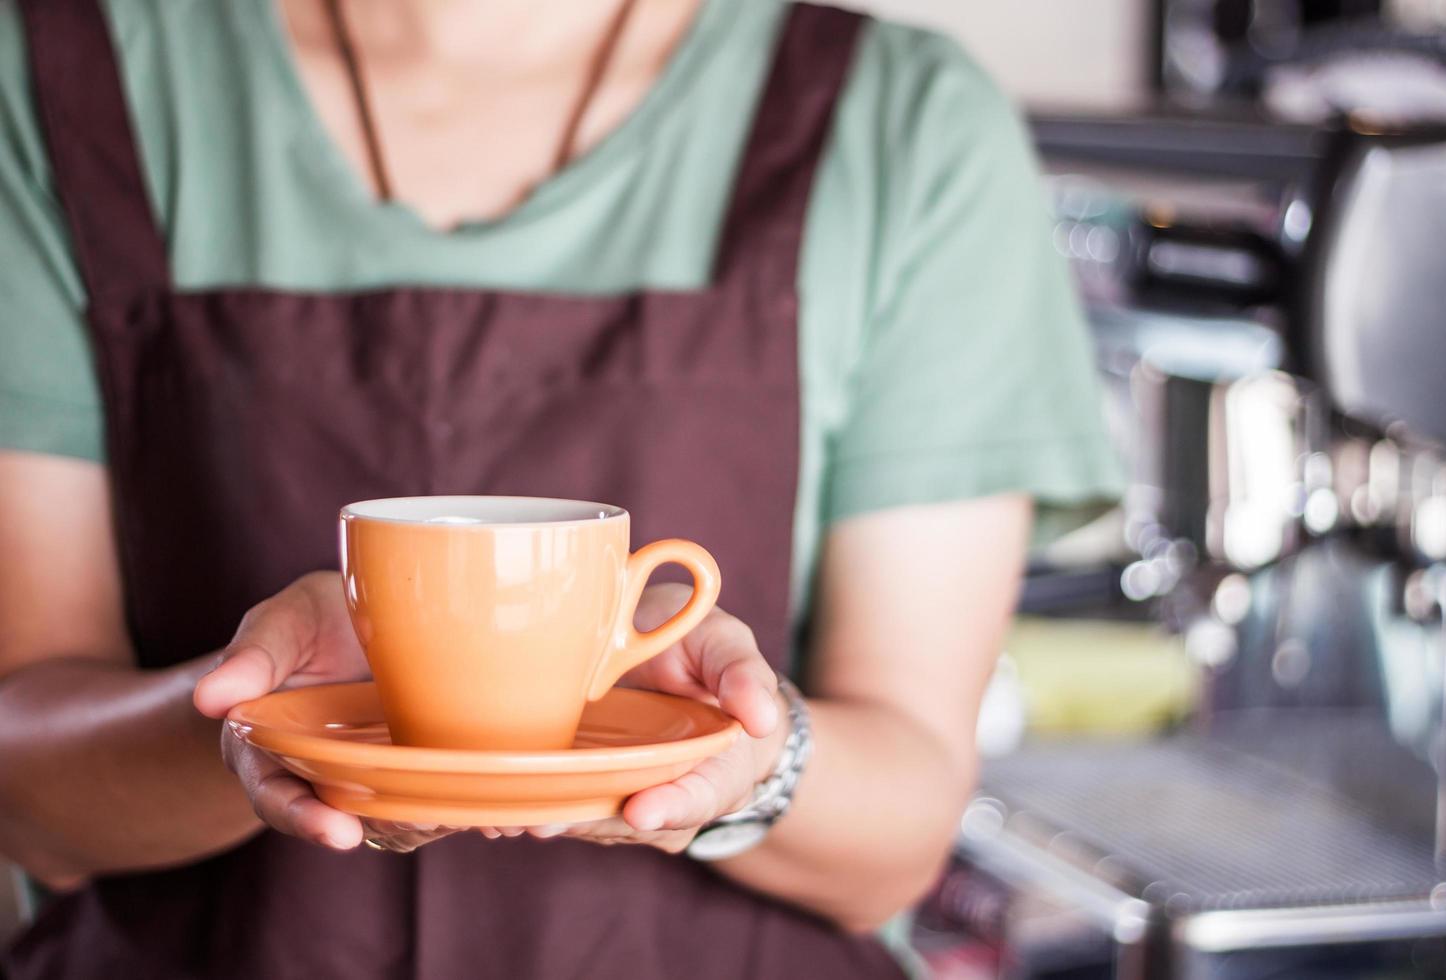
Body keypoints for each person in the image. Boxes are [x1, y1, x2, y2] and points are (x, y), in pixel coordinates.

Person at [0, 0, 1120, 976]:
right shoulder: (55, 81)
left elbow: (903, 834)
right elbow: (28, 788)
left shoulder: (905, 124)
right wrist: (259, 721)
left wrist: (743, 754)